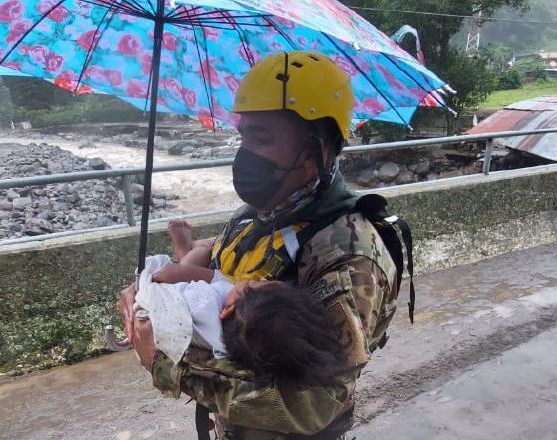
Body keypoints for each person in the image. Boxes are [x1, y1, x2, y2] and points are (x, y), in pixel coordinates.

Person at [119, 51, 400, 439]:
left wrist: (165, 361)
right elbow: (226, 265)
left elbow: (317, 403)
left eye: (261, 137)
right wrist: (156, 294)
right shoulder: (260, 213)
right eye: (243, 136)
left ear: (314, 150)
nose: (244, 153)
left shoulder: (347, 255)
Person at [149, 220, 348, 388]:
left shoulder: (207, 302)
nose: (254, 280)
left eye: (254, 284)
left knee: (196, 265)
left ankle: (194, 247)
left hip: (165, 294)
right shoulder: (243, 347)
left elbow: (165, 276)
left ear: (227, 310)